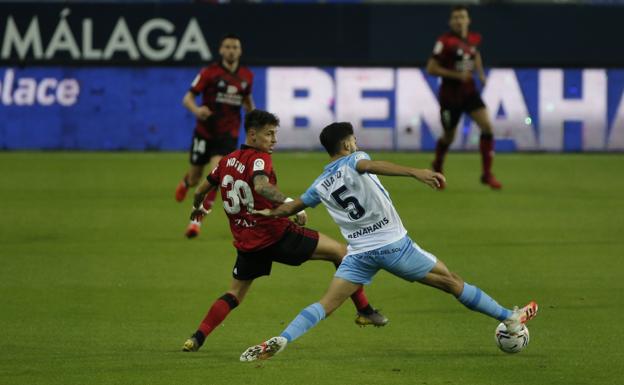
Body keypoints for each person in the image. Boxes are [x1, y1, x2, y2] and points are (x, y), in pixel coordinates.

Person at [240, 122, 537, 361]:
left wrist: (266, 212)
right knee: (452, 281)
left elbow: (292, 208)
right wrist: (415, 172)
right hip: (394, 246)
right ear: (346, 145)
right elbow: (370, 166)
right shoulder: (356, 159)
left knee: (326, 304)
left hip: (358, 254)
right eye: (354, 140)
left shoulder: (319, 184)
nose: (357, 145)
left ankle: (283, 338)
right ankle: (510, 318)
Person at [182, 111, 388, 353]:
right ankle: (364, 310)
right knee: (342, 253)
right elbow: (261, 185)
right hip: (278, 236)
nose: (274, 140)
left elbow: (201, 190)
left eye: (275, 134)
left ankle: (197, 337)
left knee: (234, 293)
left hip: (247, 243)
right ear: (252, 134)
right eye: (269, 134)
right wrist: (290, 204)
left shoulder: (226, 161)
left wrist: (198, 209)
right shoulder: (260, 159)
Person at [175, 33, 255, 238]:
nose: (231, 50)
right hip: (204, 132)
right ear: (221, 50)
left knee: (216, 177)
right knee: (195, 178)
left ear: (240, 50)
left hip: (227, 134)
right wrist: (197, 110)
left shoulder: (247, 76)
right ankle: (186, 182)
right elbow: (188, 98)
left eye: (235, 47)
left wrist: (254, 121)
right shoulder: (209, 72)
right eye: (227, 47)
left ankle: (195, 222)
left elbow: (247, 102)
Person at [426, 5, 502, 190]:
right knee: (449, 136)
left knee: (487, 126)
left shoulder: (474, 38)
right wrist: (457, 75)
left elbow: (475, 55)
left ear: (468, 20)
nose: (459, 21)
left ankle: (486, 174)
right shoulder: (444, 42)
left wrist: (481, 73)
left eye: (462, 17)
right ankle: (437, 165)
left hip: (469, 93)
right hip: (450, 98)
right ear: (451, 22)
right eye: (456, 18)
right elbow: (431, 68)